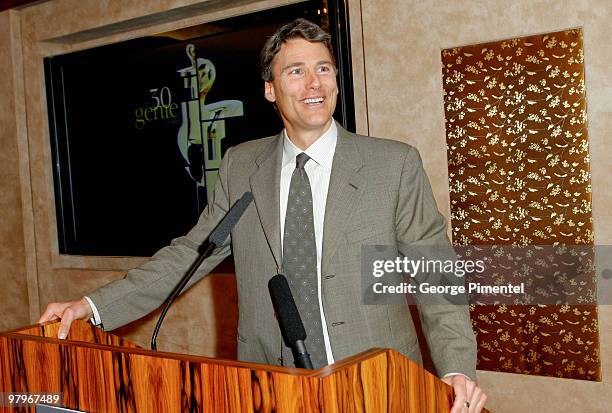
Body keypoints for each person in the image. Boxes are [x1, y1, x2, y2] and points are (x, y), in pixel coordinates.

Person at [39, 18, 487, 412]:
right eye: (296, 71)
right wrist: (92, 307)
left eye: (323, 69)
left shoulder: (394, 164)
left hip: (378, 383)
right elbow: (191, 254)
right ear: (270, 90)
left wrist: (455, 369)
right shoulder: (240, 165)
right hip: (266, 386)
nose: (314, 83)